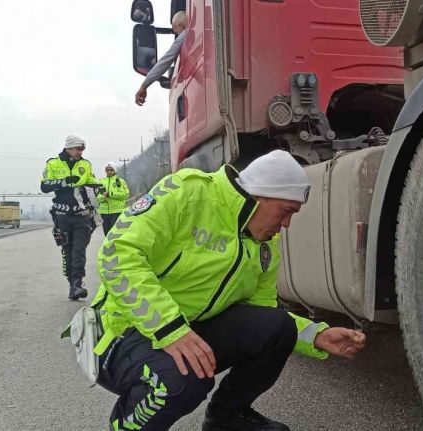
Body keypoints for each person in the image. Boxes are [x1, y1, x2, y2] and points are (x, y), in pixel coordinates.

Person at [89, 150, 366, 430]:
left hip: (183, 329)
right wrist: (170, 329)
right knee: (181, 380)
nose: (286, 224)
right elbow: (117, 254)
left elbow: (262, 317)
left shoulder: (264, 246)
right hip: (120, 332)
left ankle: (227, 419)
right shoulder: (188, 192)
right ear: (259, 195)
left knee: (276, 327)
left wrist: (316, 335)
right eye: (286, 211)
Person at [41, 135, 99, 300]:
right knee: (68, 251)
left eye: (83, 150)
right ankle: (72, 284)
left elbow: (92, 182)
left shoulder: (85, 164)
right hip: (62, 216)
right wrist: (64, 182)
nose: (81, 152)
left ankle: (77, 283)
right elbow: (44, 186)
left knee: (79, 250)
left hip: (82, 215)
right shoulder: (52, 163)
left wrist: (97, 189)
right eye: (78, 149)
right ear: (69, 148)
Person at [135, 11, 187, 106]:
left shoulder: (185, 34)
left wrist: (144, 85)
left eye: (175, 28)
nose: (175, 32)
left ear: (181, 24)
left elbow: (166, 60)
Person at [97, 161, 130, 235]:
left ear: (115, 170)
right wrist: (103, 197)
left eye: (111, 170)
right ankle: (108, 246)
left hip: (117, 211)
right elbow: (97, 196)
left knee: (116, 234)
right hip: (104, 212)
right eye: (107, 170)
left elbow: (125, 195)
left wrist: (110, 194)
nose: (109, 171)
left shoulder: (120, 181)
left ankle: (117, 246)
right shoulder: (101, 181)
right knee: (107, 234)